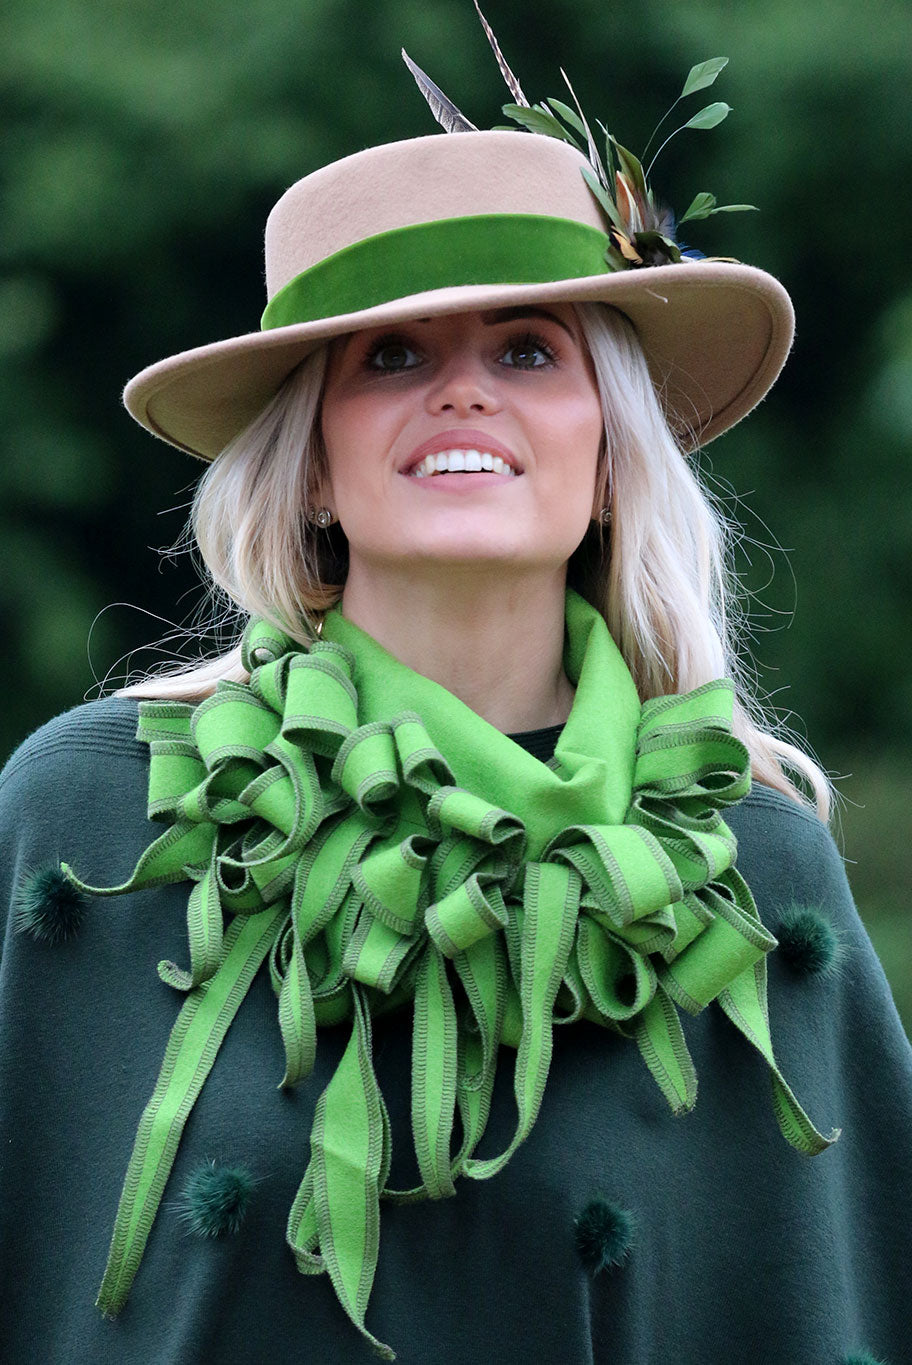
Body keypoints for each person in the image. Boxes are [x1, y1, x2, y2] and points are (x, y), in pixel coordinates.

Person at [1, 72, 911, 1365]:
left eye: (529, 348)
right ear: (312, 465)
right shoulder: (87, 816)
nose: (465, 392)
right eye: (393, 355)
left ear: (612, 453)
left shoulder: (754, 870)